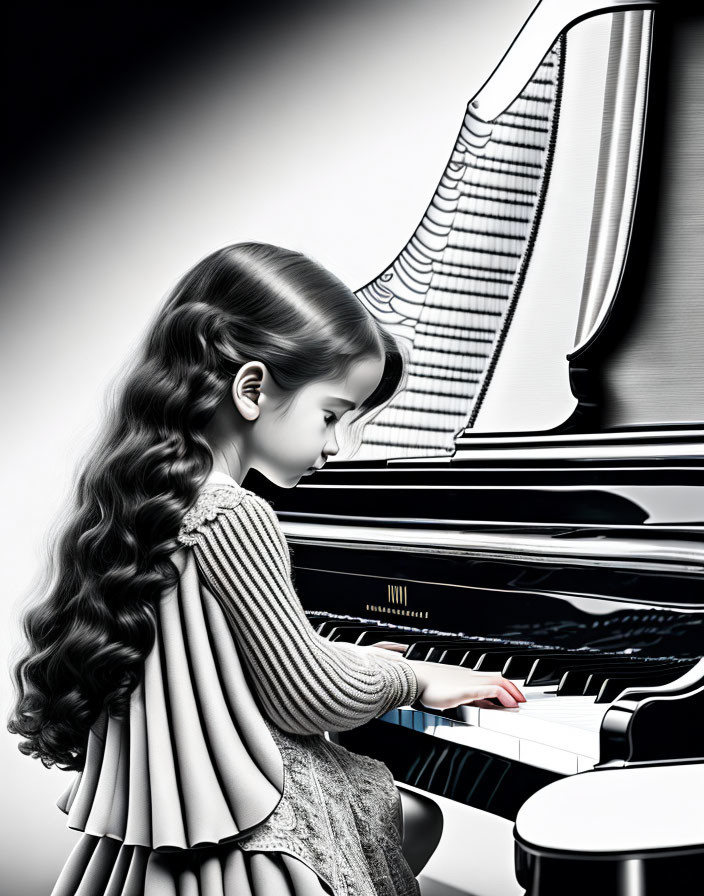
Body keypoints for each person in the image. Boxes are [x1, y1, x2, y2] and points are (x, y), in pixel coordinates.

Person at [8, 242, 525, 896]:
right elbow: (307, 696)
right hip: (243, 841)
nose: (338, 445)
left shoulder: (141, 501)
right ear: (252, 388)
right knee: (411, 819)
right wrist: (411, 676)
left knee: (408, 818)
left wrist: (329, 652)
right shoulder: (232, 513)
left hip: (156, 833)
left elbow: (230, 654)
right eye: (332, 415)